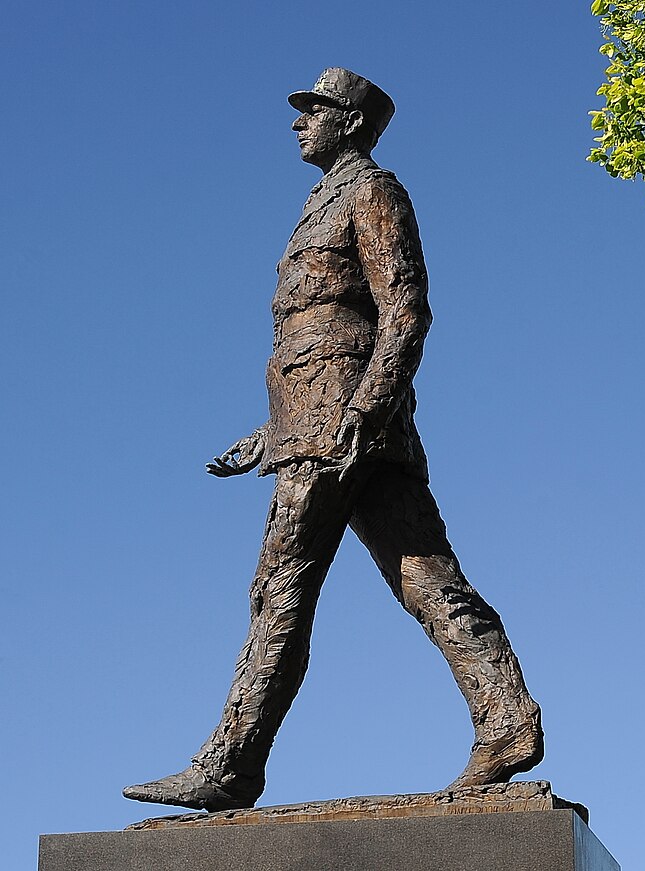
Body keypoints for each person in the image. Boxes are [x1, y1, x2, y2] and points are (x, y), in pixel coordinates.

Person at [123, 68, 543, 812]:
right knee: (425, 576)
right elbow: (321, 335)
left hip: (342, 430)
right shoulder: (321, 202)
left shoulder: (373, 191)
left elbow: (404, 313)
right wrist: (270, 433)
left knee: (278, 589)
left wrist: (362, 412)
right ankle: (506, 718)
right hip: (324, 425)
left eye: (315, 109)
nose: (300, 120)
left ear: (351, 122)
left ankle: (231, 763)